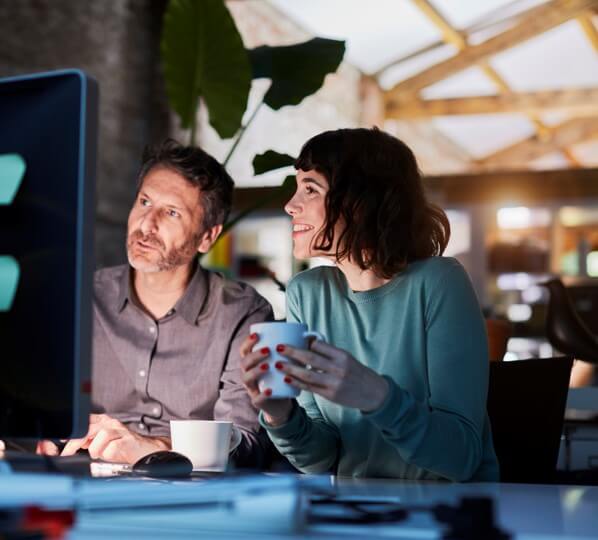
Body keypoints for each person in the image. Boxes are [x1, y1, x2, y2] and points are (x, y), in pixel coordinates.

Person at [240, 128, 499, 481]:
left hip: (447, 515)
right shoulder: (307, 293)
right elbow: (320, 459)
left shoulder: (439, 282)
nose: (290, 205)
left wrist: (377, 396)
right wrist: (279, 415)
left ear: (360, 202)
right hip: (357, 513)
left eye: (310, 189)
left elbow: (461, 457)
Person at [39, 139, 273, 466]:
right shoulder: (82, 296)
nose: (146, 225)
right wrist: (42, 437)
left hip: (190, 492)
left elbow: (246, 444)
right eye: (145, 202)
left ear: (207, 236)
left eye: (171, 212)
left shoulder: (242, 314)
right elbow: (41, 408)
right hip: (82, 482)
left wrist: (150, 447)